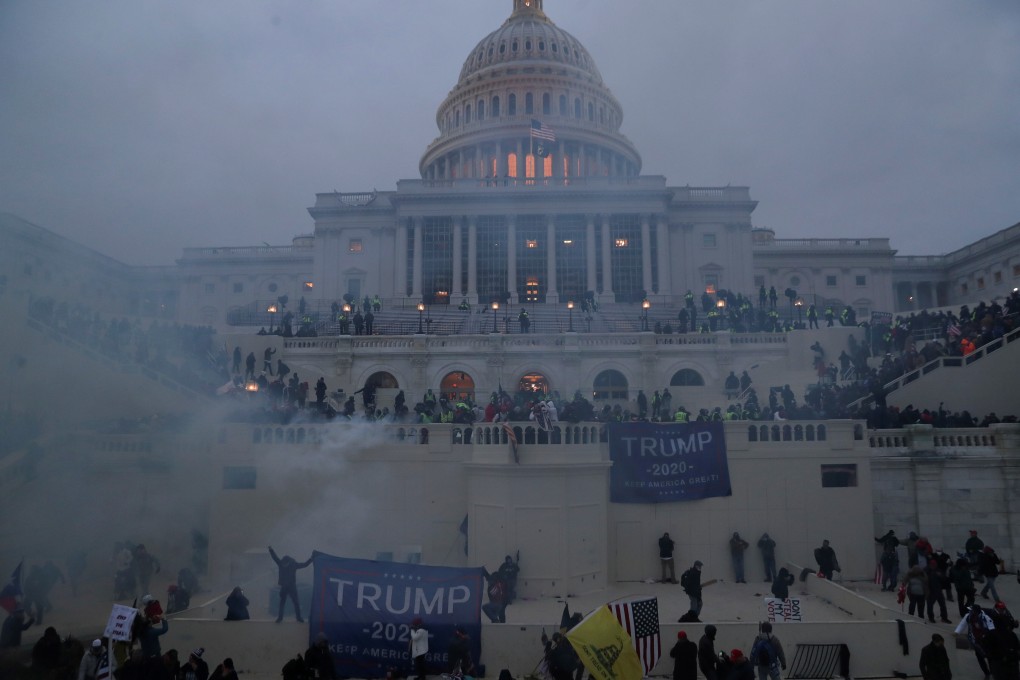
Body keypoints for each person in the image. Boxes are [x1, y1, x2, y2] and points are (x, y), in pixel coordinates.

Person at [268, 546, 313, 622]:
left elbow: (304, 565)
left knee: (296, 602)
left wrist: (311, 559)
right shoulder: (280, 563)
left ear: (288, 563)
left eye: (285, 564)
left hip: (292, 586)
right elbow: (274, 557)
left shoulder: (293, 564)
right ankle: (280, 617)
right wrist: (271, 550)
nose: (284, 566)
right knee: (282, 602)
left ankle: (298, 617)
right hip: (284, 586)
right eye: (283, 564)